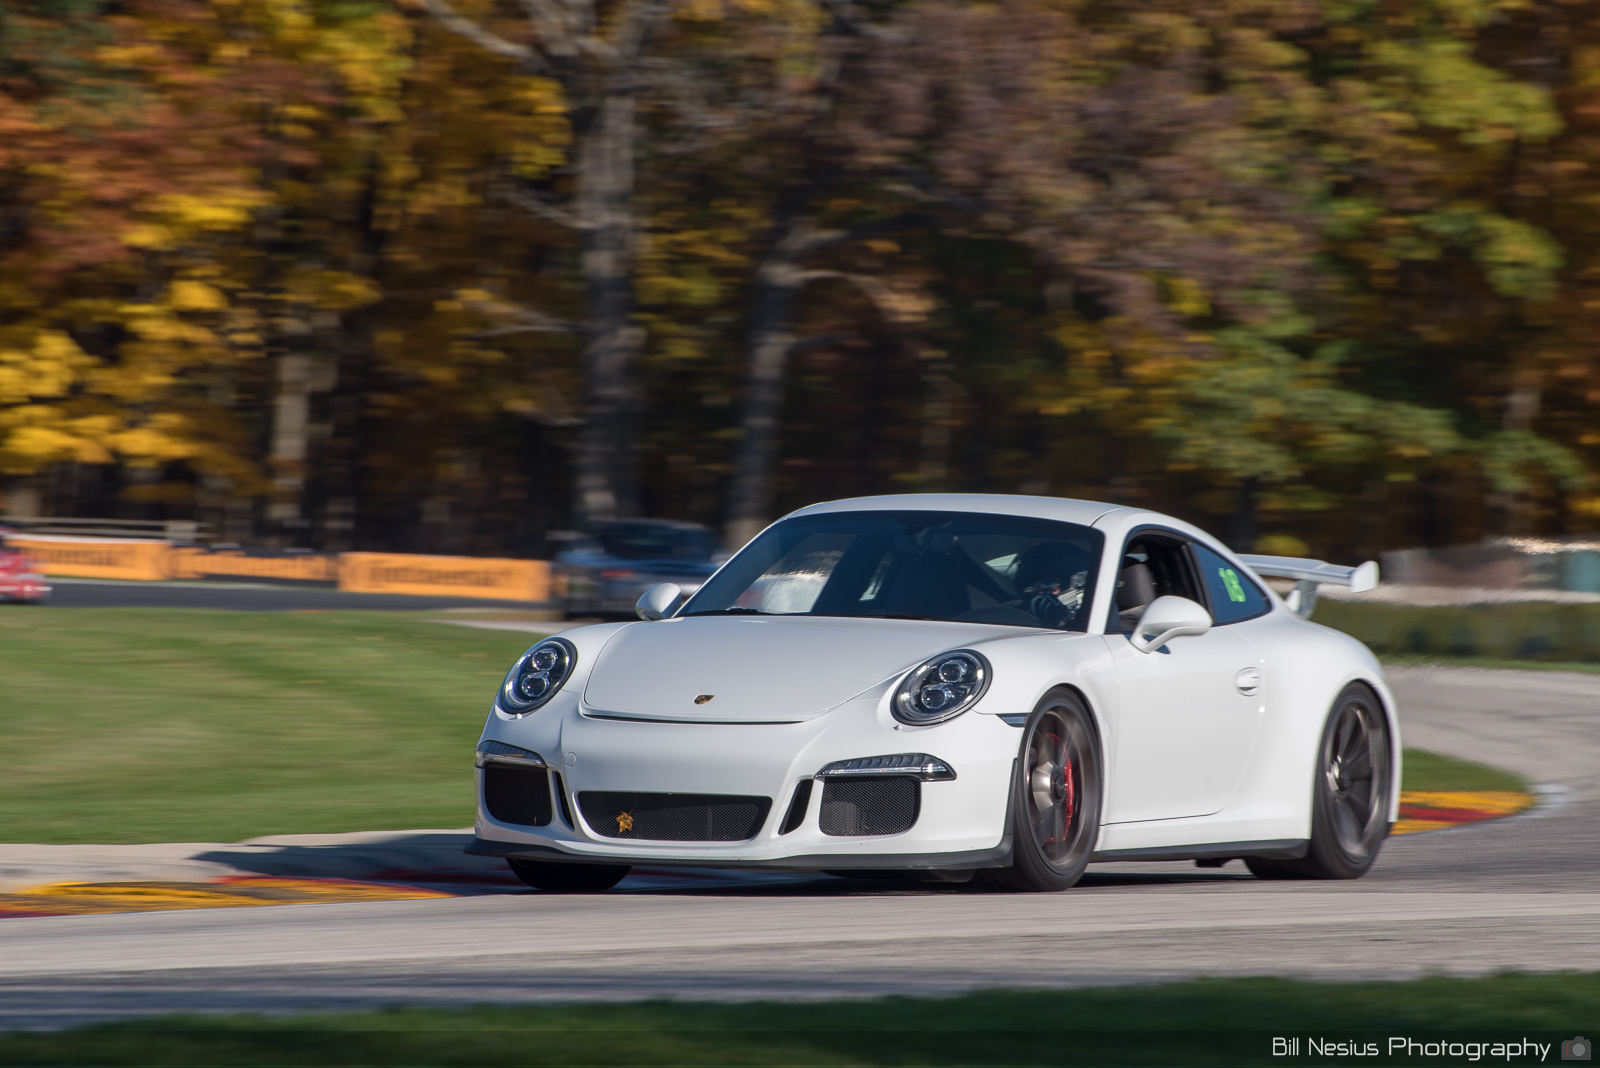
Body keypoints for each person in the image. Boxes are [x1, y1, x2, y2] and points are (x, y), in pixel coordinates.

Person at [1014, 541, 1091, 629]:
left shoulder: (1096, 618)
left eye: (1048, 585)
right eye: (1031, 589)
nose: (1040, 594)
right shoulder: (1017, 616)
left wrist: (1065, 621)